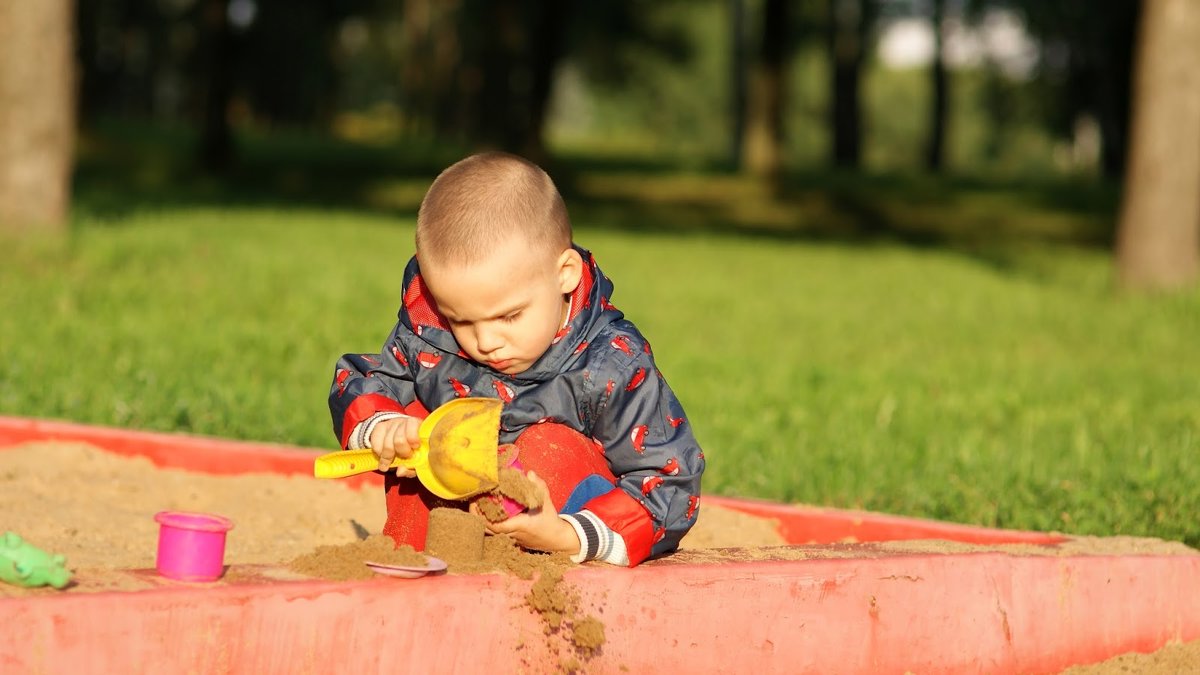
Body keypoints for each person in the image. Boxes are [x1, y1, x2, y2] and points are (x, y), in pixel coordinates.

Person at [328, 152, 704, 567]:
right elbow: (367, 378)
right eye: (461, 319)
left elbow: (669, 480)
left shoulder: (611, 363)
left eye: (509, 316)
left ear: (566, 274)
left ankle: (522, 572)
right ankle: (410, 561)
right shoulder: (432, 333)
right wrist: (383, 427)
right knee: (418, 426)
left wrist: (566, 534)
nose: (486, 342)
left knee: (546, 443)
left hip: (561, 536)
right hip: (450, 524)